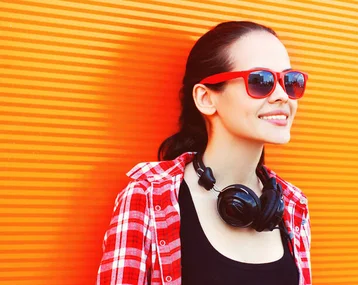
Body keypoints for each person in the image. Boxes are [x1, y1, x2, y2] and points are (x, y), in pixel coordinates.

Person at [96, 21, 312, 285]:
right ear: (206, 99)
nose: (282, 95)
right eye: (261, 81)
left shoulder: (292, 206)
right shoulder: (149, 197)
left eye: (290, 81)